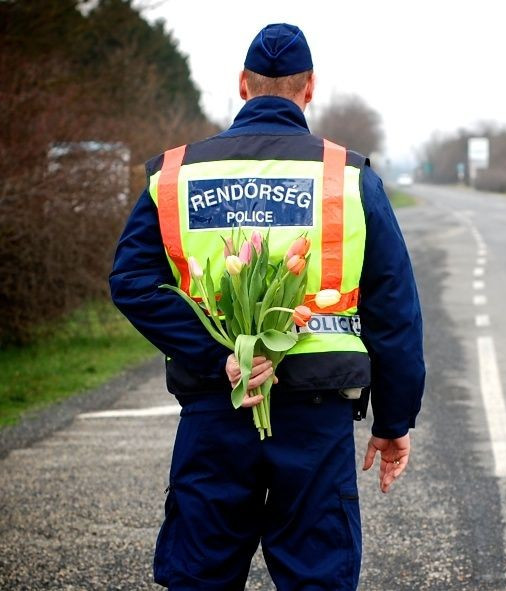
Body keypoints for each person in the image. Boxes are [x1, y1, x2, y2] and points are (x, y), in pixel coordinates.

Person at [109, 23, 425, 591]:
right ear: (309, 89)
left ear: (242, 86)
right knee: (317, 578)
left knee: (200, 575)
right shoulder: (347, 177)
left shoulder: (176, 175)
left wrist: (216, 358)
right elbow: (393, 309)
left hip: (215, 413)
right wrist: (394, 420)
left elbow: (131, 282)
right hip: (317, 418)